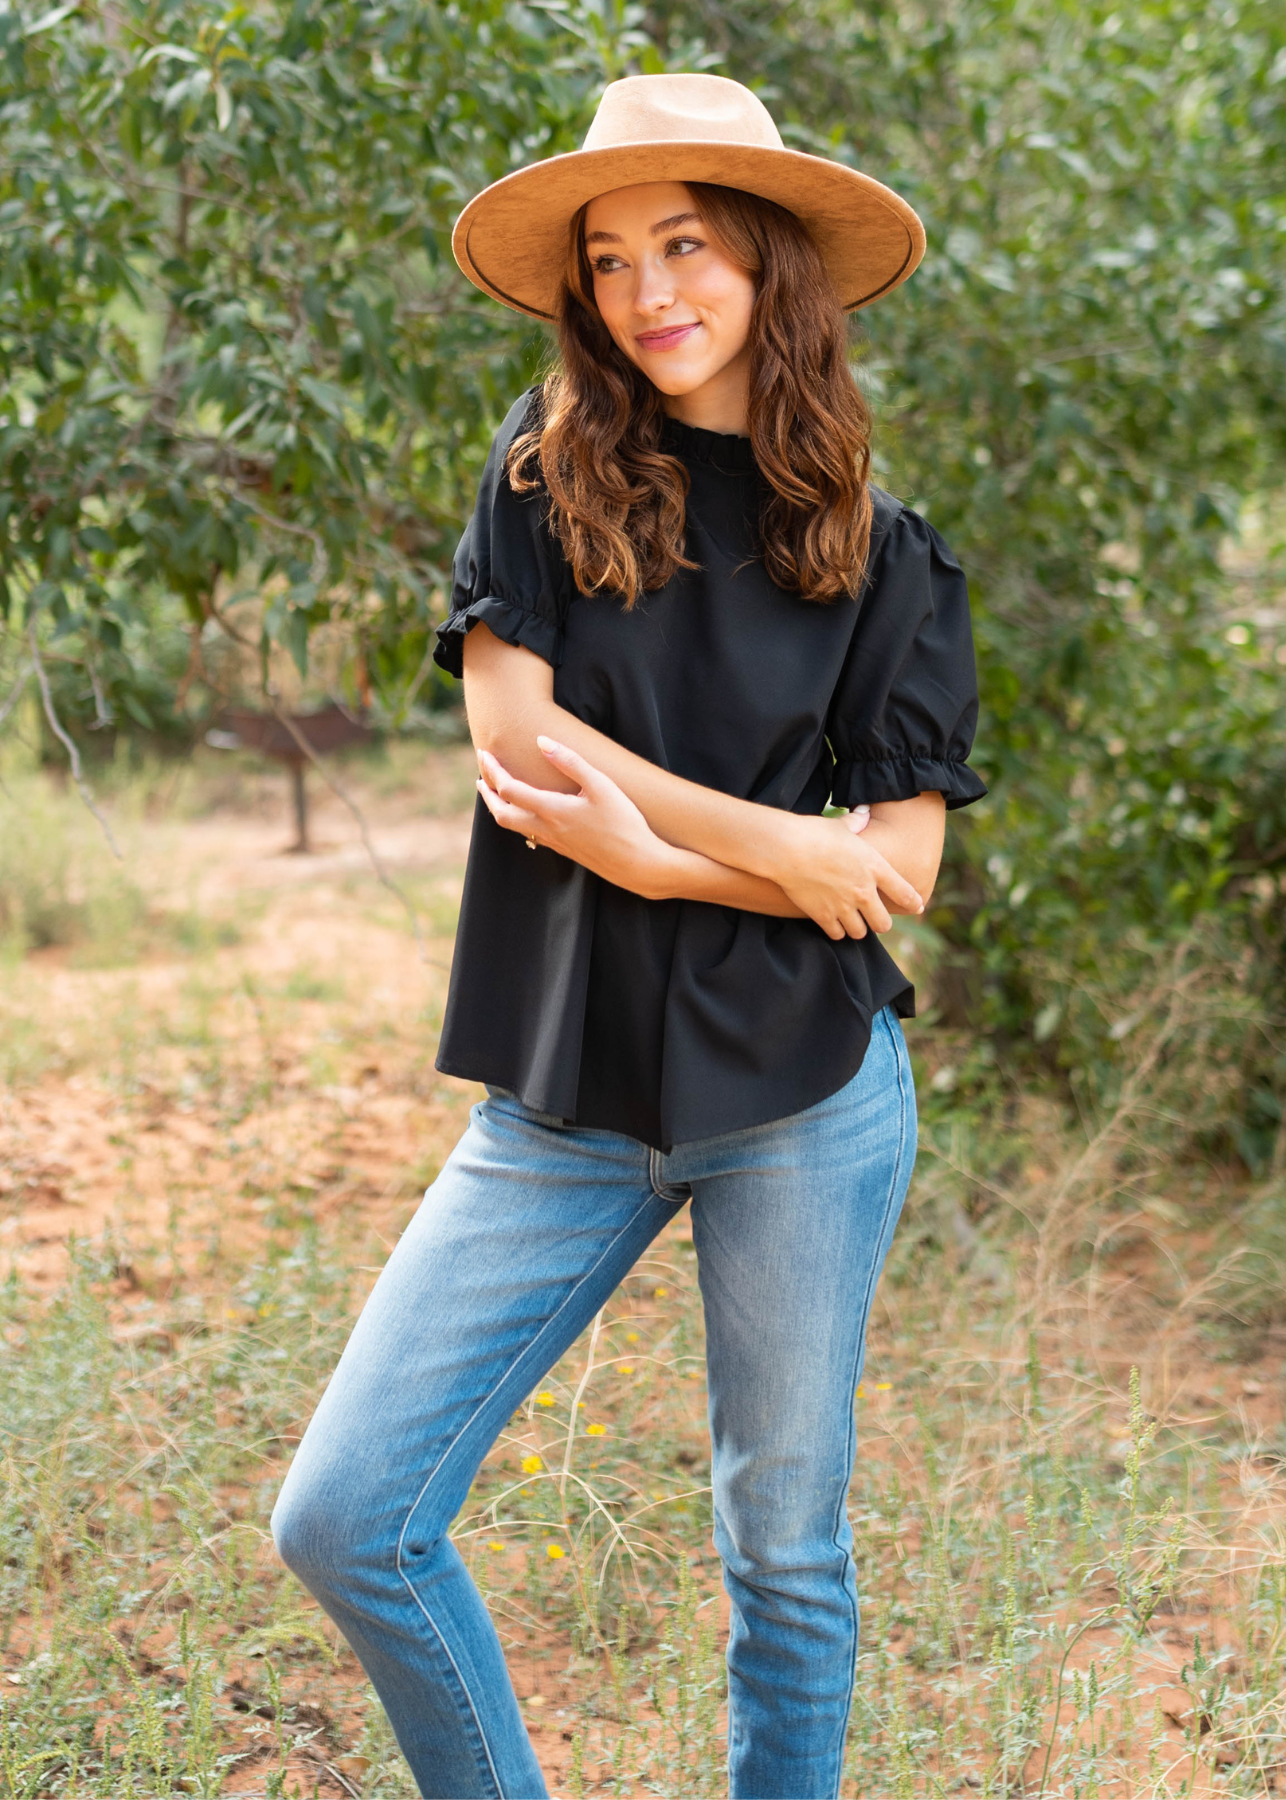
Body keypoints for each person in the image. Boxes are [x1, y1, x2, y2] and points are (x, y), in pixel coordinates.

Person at [272, 72, 986, 1800]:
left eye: (684, 245)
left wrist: (674, 859)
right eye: (607, 260)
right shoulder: (542, 483)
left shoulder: (881, 552)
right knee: (350, 1516)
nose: (647, 291)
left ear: (766, 267)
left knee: (783, 1561)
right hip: (562, 1091)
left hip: (805, 1100)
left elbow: (898, 875)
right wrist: (762, 852)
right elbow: (521, 754)